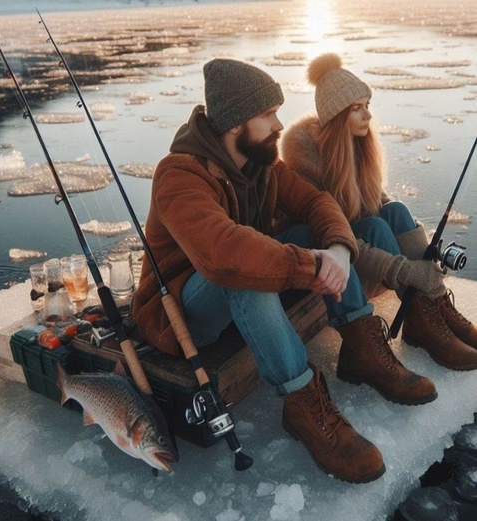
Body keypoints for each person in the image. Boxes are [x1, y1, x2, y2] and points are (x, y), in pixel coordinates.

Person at [132, 58, 434, 484]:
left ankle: (361, 346)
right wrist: (311, 264)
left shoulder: (263, 164)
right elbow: (224, 252)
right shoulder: (179, 175)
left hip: (243, 283)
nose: (279, 124)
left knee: (356, 227)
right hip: (182, 312)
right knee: (240, 273)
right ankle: (303, 405)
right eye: (267, 114)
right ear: (236, 123)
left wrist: (338, 248)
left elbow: (316, 202)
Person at [280, 52, 477, 373]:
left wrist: (426, 269)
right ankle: (421, 315)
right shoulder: (306, 165)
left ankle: (431, 306)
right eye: (356, 109)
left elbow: (382, 205)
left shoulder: (354, 147)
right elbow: (342, 240)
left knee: (395, 209)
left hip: (362, 259)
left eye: (367, 105)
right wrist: (411, 272)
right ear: (336, 116)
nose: (368, 116)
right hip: (330, 268)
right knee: (375, 224)